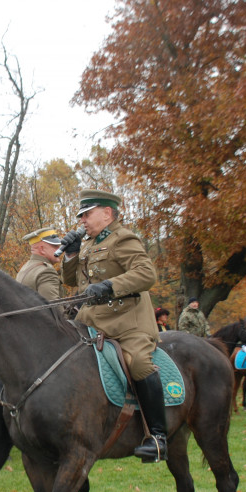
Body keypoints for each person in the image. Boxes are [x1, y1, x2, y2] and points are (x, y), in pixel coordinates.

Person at [59, 188, 166, 463]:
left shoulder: (123, 238)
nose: (82, 220)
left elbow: (146, 273)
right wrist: (70, 254)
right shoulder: (88, 244)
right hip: (91, 322)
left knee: (139, 361)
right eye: (81, 215)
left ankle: (157, 437)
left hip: (127, 322)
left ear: (107, 213)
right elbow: (73, 283)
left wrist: (110, 286)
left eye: (87, 214)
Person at [15, 228, 64, 301]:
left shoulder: (25, 268)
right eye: (55, 246)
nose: (59, 249)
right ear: (42, 249)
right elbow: (54, 309)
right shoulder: (46, 271)